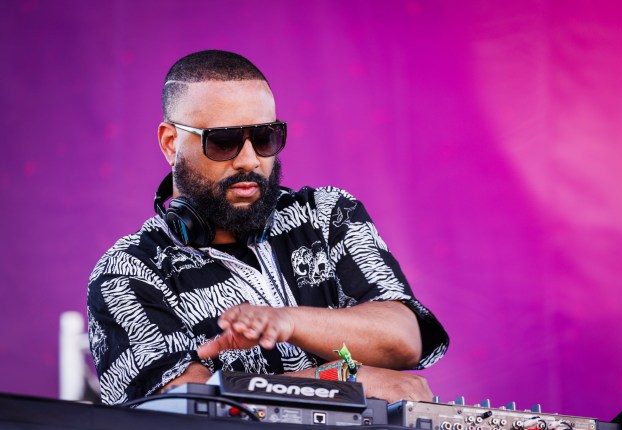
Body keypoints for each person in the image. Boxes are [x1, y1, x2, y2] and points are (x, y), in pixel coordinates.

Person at [87, 50, 449, 406]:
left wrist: (287, 322)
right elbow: (182, 403)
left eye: (264, 138)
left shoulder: (325, 214)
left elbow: (403, 339)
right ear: (171, 144)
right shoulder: (128, 272)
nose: (249, 160)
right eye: (223, 141)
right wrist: (338, 379)